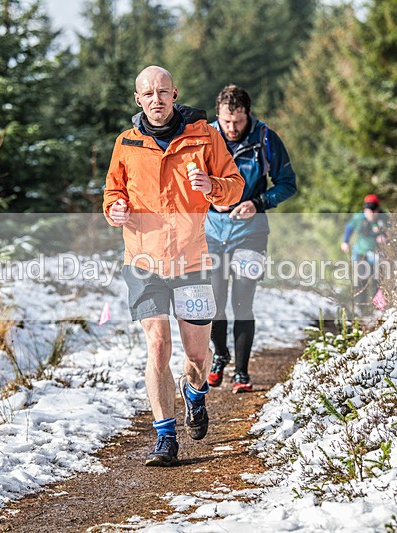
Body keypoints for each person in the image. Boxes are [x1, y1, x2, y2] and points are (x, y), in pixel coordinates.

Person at [103, 66, 244, 466]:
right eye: (148, 93)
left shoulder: (204, 135)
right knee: (158, 345)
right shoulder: (127, 143)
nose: (156, 99)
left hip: (192, 261)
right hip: (142, 259)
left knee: (197, 359)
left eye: (163, 92)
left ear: (175, 94)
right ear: (138, 99)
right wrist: (113, 208)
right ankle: (165, 437)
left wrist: (212, 187)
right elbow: (113, 190)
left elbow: (234, 185)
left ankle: (195, 394)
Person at [204, 85, 297, 393]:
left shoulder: (266, 139)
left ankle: (241, 372)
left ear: (248, 115)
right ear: (218, 114)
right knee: (214, 301)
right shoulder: (204, 138)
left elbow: (287, 184)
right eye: (226, 121)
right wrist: (207, 199)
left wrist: (257, 203)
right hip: (211, 232)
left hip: (251, 231)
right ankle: (220, 356)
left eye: (238, 122)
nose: (232, 129)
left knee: (242, 301)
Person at [340, 194, 389, 314]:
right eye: (368, 210)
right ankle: (360, 308)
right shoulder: (358, 218)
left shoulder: (384, 218)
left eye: (374, 210)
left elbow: (393, 232)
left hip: (378, 255)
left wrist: (385, 238)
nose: (371, 213)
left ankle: (379, 308)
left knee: (379, 282)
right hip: (361, 254)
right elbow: (349, 228)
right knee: (361, 280)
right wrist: (345, 241)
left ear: (378, 210)